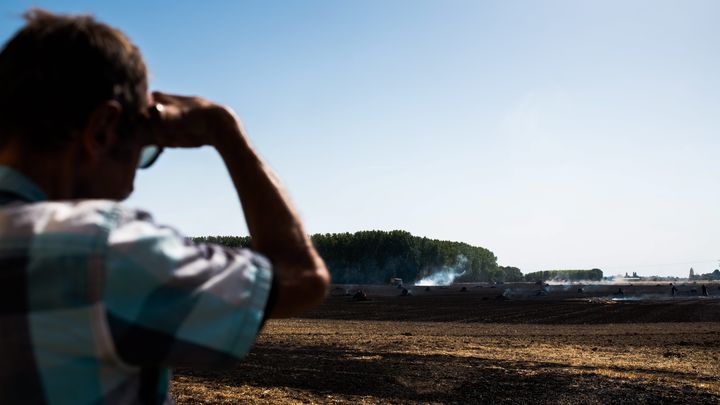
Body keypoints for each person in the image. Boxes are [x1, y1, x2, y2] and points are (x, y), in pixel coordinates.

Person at [0, 9, 329, 404]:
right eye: (143, 150)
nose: (131, 186)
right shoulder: (102, 251)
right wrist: (224, 131)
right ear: (102, 130)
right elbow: (303, 278)